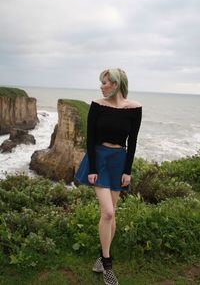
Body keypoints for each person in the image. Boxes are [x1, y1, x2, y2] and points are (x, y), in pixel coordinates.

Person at [75, 68, 142, 285]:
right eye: (101, 82)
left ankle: (101, 256)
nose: (101, 86)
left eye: (105, 82)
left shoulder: (134, 109)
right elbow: (90, 137)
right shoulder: (97, 105)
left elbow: (132, 143)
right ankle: (107, 263)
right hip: (99, 159)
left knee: (110, 216)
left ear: (116, 83)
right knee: (109, 213)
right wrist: (93, 168)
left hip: (118, 161)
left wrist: (128, 171)